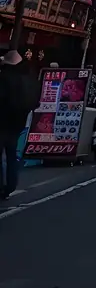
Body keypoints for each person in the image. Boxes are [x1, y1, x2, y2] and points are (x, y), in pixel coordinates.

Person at [0, 51, 39, 201]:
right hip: (18, 123)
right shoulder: (30, 80)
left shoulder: (5, 78)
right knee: (12, 155)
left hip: (2, 121)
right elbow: (35, 102)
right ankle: (10, 186)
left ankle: (2, 187)